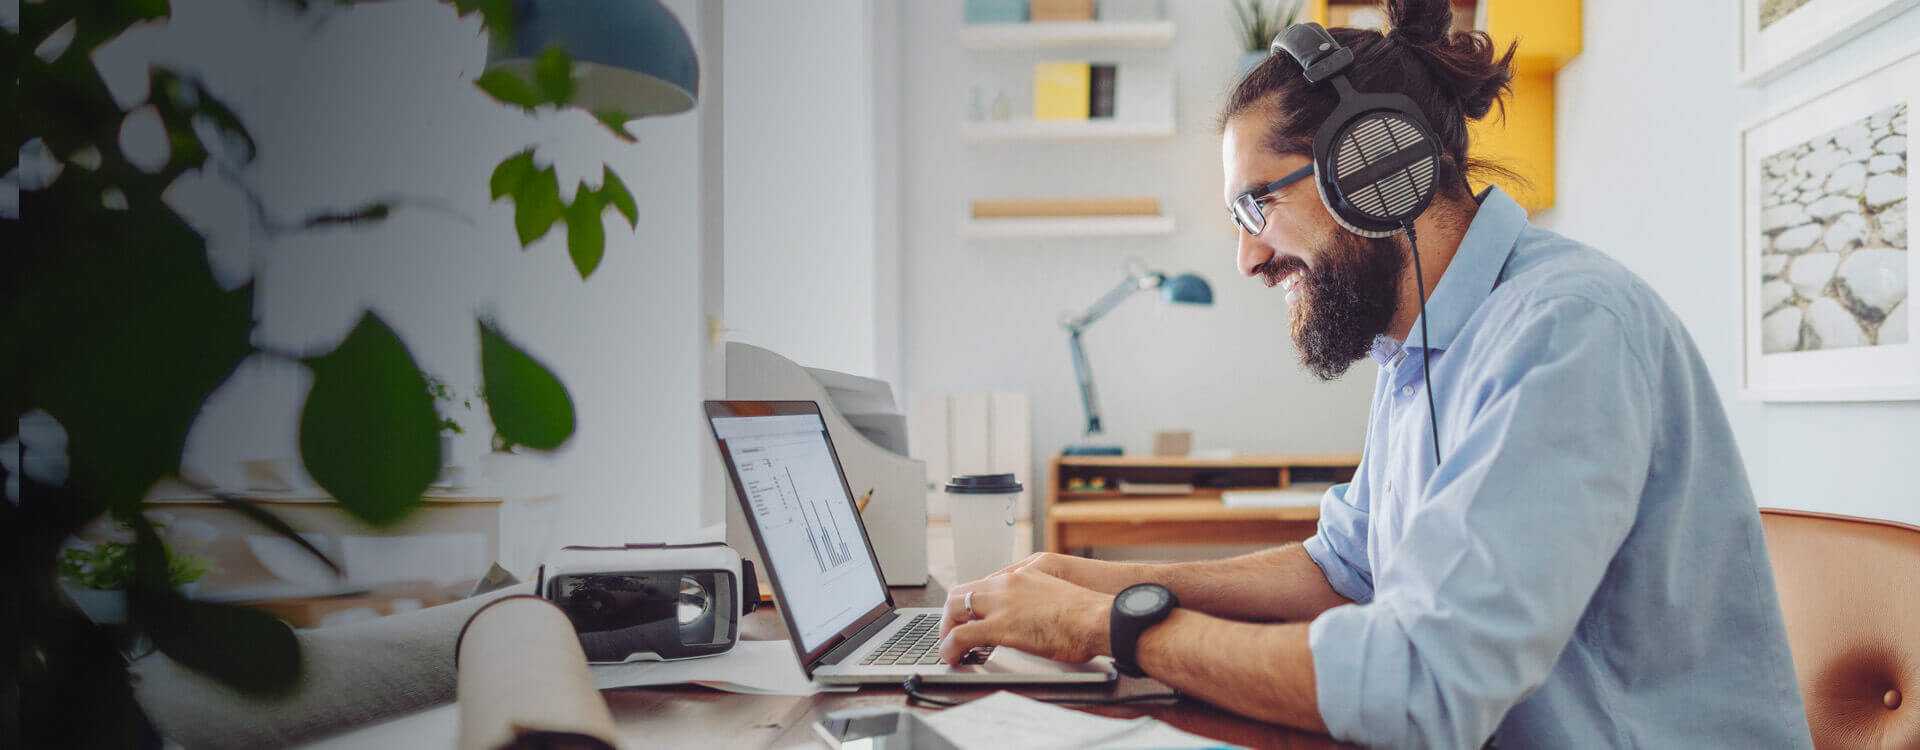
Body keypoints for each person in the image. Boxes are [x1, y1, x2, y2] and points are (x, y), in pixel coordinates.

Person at [935, 1, 1814, 746]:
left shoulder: (1564, 331)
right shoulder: (1420, 347)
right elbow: (1344, 568)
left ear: (1372, 167)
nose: (1246, 259)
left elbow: (1424, 685)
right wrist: (1097, 579)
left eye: (1257, 205)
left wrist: (1112, 629)